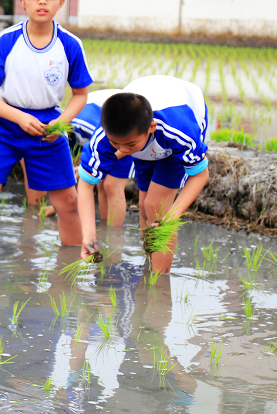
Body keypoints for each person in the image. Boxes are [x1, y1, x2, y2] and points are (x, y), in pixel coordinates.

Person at [0, 0, 93, 251]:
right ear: (23, 1)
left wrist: (60, 125)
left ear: (61, 1)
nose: (42, 1)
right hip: (4, 126)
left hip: (49, 129)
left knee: (68, 203)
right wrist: (20, 118)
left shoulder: (70, 45)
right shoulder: (7, 41)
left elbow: (80, 94)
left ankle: (69, 273)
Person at [78, 76, 209, 273]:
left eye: (129, 145)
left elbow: (200, 175)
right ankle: (148, 271)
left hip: (177, 131)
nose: (123, 150)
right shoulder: (105, 136)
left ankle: (159, 284)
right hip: (146, 142)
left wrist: (170, 218)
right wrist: (88, 235)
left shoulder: (178, 131)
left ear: (151, 128)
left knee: (156, 207)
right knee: (144, 207)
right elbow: (86, 184)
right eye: (116, 144)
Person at [70, 89, 133, 227]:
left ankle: (115, 236)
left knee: (112, 185)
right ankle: (105, 231)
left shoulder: (85, 125)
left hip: (127, 133)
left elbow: (121, 144)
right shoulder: (71, 135)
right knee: (100, 183)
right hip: (112, 129)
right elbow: (81, 170)